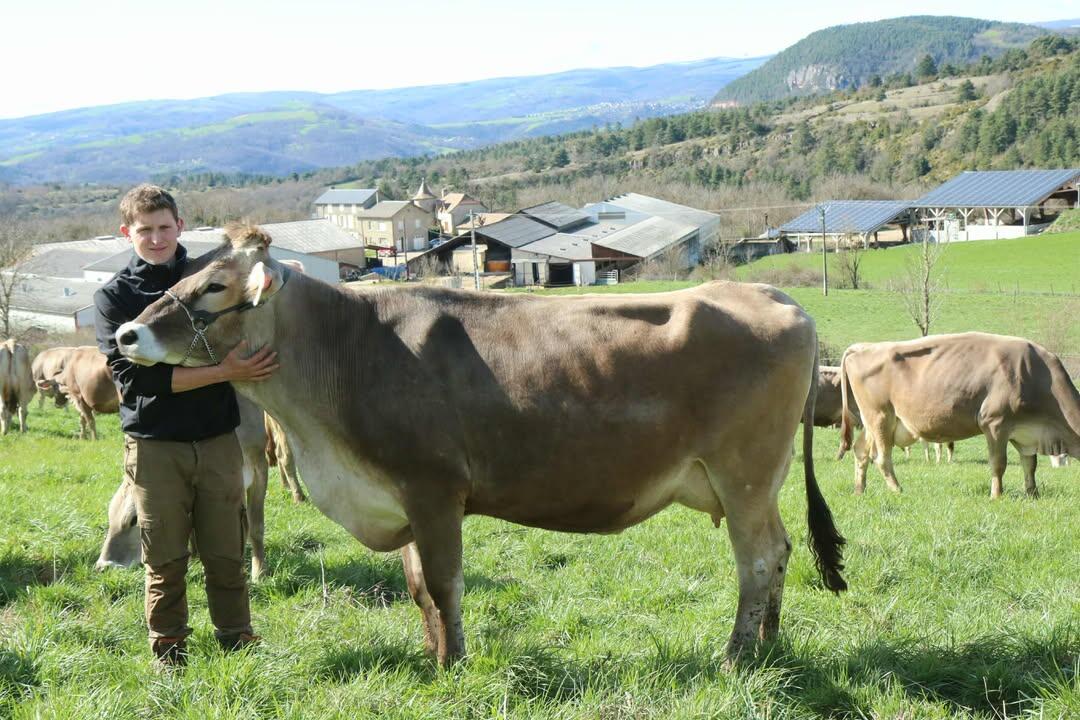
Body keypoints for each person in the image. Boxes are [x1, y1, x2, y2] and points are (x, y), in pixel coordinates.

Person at [94, 184, 278, 667]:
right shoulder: (114, 296)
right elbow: (134, 381)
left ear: (180, 226)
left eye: (164, 227)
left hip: (218, 436)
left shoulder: (209, 275)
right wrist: (224, 372)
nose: (156, 239)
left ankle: (237, 642)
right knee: (164, 557)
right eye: (145, 230)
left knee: (226, 551)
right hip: (155, 446)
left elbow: (266, 284)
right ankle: (169, 652)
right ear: (127, 233)